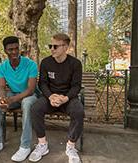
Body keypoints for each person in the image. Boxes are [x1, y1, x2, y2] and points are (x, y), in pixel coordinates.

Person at [28, 33, 84, 163]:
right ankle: (42, 144)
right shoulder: (46, 62)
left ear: (65, 47)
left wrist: (65, 98)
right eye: (50, 46)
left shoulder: (75, 64)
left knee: (78, 111)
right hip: (50, 98)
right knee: (35, 108)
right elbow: (42, 83)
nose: (52, 49)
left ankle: (71, 146)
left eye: (55, 46)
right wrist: (50, 96)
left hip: (68, 98)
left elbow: (76, 86)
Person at [0, 36, 38, 162]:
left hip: (29, 96)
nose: (14, 52)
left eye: (16, 49)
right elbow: (1, 87)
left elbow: (30, 90)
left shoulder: (30, 64)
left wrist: (12, 100)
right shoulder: (2, 67)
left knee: (26, 103)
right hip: (13, 94)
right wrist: (2, 98)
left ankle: (25, 146)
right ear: (5, 51)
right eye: (10, 49)